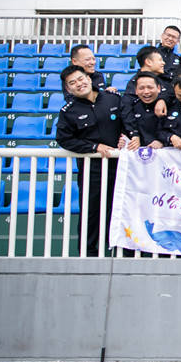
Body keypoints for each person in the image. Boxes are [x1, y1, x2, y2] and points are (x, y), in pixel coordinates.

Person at [55, 65, 126, 256]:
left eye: (81, 79)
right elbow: (64, 139)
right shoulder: (68, 111)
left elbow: (127, 123)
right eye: (72, 83)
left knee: (121, 208)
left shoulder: (113, 98)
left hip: (121, 167)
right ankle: (88, 254)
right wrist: (94, 147)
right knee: (91, 212)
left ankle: (121, 252)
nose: (79, 84)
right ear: (68, 89)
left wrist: (125, 138)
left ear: (88, 78)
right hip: (92, 170)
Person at [121, 72, 164, 148]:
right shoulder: (131, 109)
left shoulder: (166, 107)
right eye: (141, 88)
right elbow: (125, 134)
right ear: (136, 90)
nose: (146, 92)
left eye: (150, 87)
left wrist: (163, 141)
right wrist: (123, 141)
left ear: (158, 88)